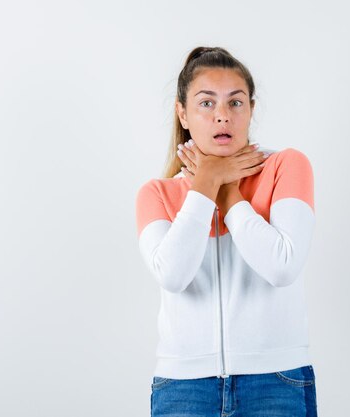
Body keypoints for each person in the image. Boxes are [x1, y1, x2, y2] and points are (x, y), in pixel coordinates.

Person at [135, 46, 318, 416]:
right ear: (182, 113)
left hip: (276, 379)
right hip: (183, 387)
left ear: (250, 109)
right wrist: (205, 184)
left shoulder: (286, 166)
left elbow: (281, 267)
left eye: (235, 103)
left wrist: (227, 188)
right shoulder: (156, 194)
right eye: (206, 103)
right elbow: (173, 275)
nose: (222, 116)